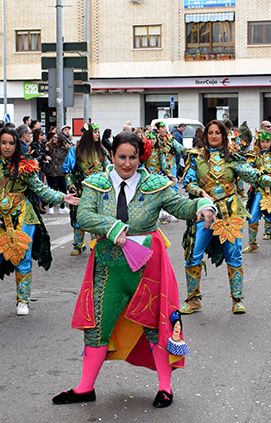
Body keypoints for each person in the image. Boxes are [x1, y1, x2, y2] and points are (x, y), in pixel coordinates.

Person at [52, 131, 216, 408]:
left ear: (141, 157)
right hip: (108, 265)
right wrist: (112, 228)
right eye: (121, 157)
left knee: (156, 325)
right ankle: (84, 388)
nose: (127, 164)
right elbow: (84, 215)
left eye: (133, 157)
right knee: (97, 325)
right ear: (112, 156)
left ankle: (165, 388)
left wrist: (203, 205)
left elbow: (181, 206)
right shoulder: (96, 184)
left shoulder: (154, 184)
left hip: (147, 266)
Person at [181, 120, 271, 315]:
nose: (214, 136)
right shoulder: (196, 157)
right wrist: (200, 193)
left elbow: (252, 174)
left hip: (229, 213)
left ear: (224, 136)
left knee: (233, 255)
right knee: (193, 255)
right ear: (205, 136)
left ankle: (237, 299)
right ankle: (193, 300)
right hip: (204, 213)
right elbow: (188, 182)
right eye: (211, 133)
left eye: (218, 133)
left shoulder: (232, 158)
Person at [0, 128, 79, 318]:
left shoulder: (25, 166)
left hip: (23, 215)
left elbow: (40, 189)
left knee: (23, 255)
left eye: (11, 143)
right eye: (3, 143)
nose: (7, 147)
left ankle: (23, 301)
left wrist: (62, 197)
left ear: (16, 145)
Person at [63, 123, 107, 255]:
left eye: (99, 132)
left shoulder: (102, 150)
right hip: (81, 190)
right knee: (78, 216)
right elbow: (67, 170)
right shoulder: (75, 150)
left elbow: (108, 169)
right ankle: (78, 245)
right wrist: (70, 185)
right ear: (88, 134)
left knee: (97, 216)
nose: (98, 134)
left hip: (99, 190)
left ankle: (96, 244)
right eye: (95, 132)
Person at [243, 131, 271, 253]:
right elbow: (246, 170)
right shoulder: (253, 156)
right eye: (262, 141)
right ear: (258, 142)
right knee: (253, 217)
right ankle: (252, 243)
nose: (265, 144)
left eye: (268, 142)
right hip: (259, 191)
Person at [44, 132, 70, 214]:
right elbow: (42, 154)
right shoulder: (49, 146)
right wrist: (45, 154)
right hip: (51, 170)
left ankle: (62, 206)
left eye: (56, 137)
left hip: (60, 171)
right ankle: (51, 206)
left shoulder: (65, 148)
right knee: (51, 189)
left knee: (63, 189)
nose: (54, 139)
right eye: (53, 137)